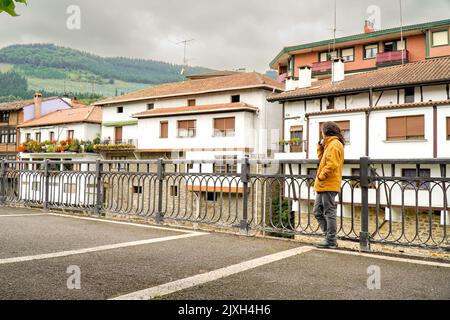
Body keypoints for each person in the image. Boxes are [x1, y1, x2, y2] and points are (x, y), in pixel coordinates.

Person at [313, 121, 345, 249]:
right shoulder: (329, 144)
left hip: (328, 183)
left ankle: (331, 240)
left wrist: (321, 176)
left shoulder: (334, 144)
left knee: (329, 212)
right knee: (317, 211)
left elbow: (332, 164)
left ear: (326, 131)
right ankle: (329, 237)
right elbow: (322, 160)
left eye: (322, 131)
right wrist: (320, 146)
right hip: (323, 184)